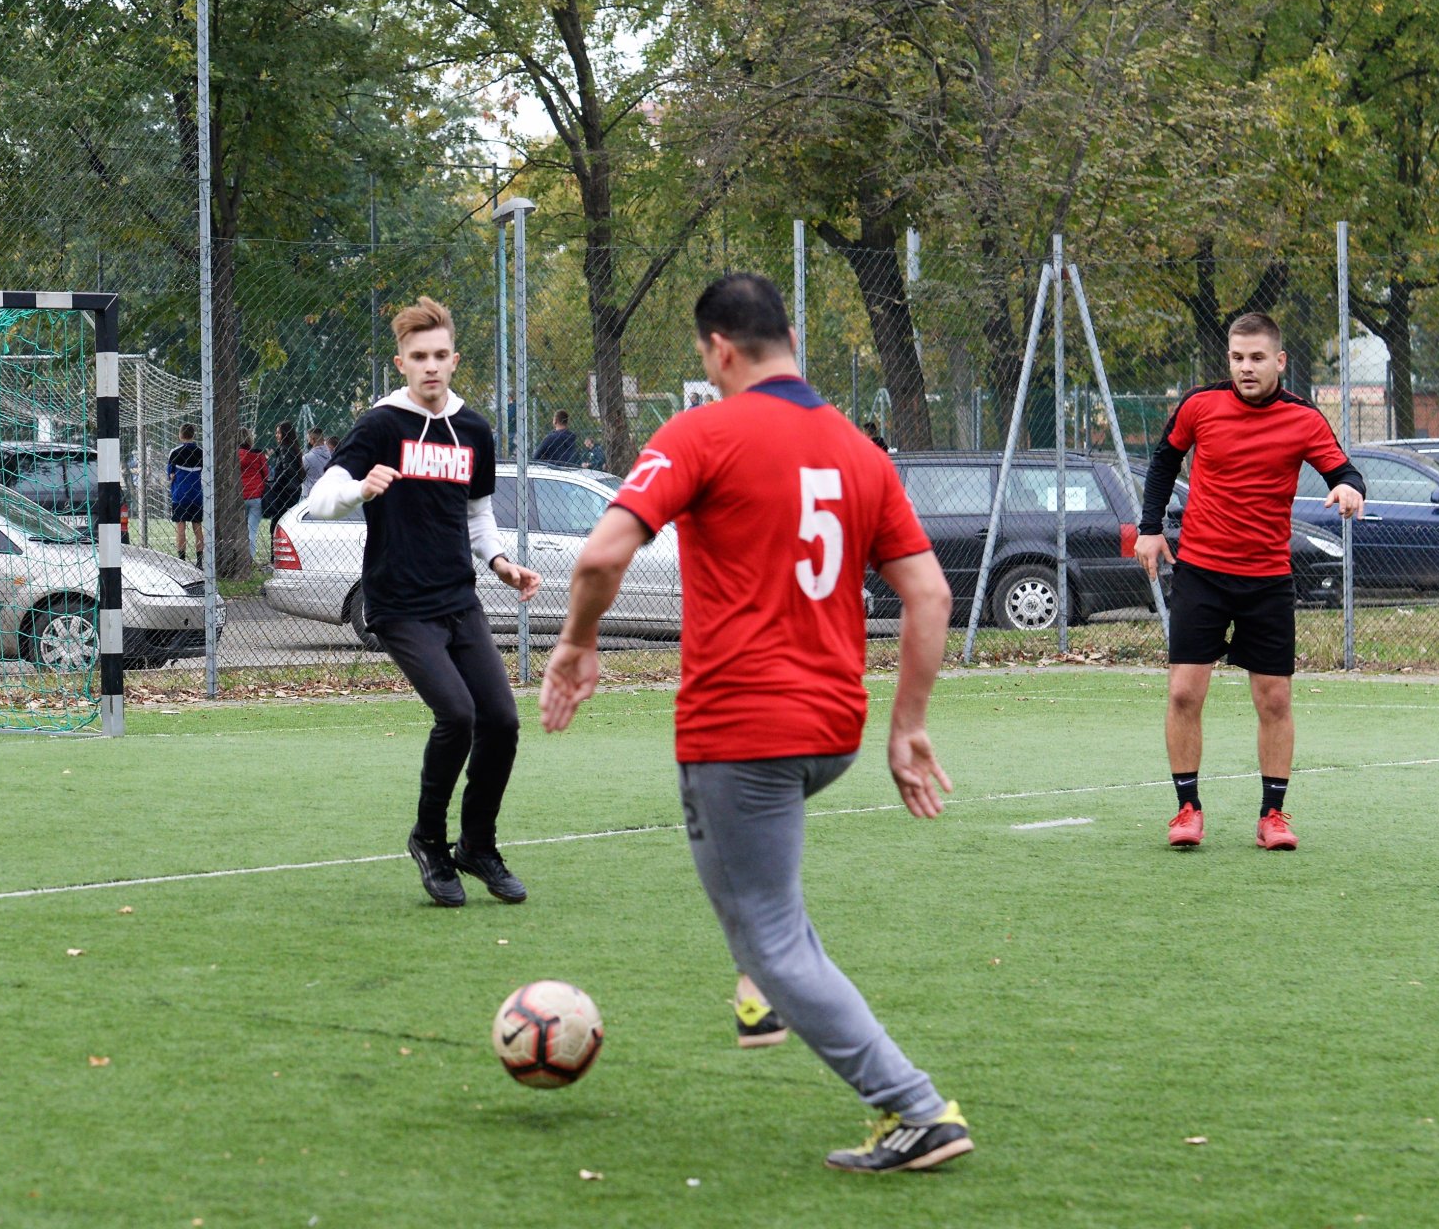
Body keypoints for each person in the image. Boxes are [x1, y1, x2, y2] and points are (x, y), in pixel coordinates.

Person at [540, 273, 972, 1174]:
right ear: (789, 341)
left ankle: (916, 1108)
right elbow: (929, 594)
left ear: (719, 351)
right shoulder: (860, 450)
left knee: (769, 946)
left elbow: (601, 553)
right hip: (832, 728)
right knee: (778, 927)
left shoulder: (704, 430)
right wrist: (909, 724)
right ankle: (898, 1097)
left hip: (742, 728)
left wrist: (577, 645)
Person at [307, 296, 543, 907]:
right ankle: (429, 841)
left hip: (458, 601)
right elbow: (322, 497)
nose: (430, 366)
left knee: (503, 721)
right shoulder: (381, 424)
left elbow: (478, 514)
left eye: (440, 355)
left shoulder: (474, 430)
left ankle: (478, 846)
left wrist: (500, 563)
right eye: (419, 357)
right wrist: (360, 488)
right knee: (457, 717)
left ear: (454, 359)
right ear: (401, 363)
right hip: (399, 605)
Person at [1135, 311, 1366, 851]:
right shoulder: (1200, 405)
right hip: (1202, 574)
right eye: (1237, 358)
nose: (1246, 368)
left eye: (1257, 358)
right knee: (1185, 692)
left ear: (1279, 361)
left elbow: (1344, 472)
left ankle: (1273, 816)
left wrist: (1350, 490)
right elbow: (1163, 462)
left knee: (1274, 700)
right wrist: (1150, 529)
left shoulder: (1304, 418)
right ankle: (1187, 809)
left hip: (1267, 580)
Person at [262, 420, 305, 560]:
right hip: (292, 490)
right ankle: (280, 555)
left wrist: (274, 485)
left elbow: (288, 470)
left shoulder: (285, 449)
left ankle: (275, 557)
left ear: (285, 434)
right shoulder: (293, 448)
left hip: (285, 492)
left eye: (279, 432)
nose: (276, 435)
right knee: (285, 523)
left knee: (276, 523)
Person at [166, 424, 204, 563]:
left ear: (180, 435)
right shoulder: (201, 452)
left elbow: (171, 476)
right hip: (196, 496)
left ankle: (182, 561)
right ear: (193, 435)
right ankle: (200, 562)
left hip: (180, 496)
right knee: (197, 528)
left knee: (180, 528)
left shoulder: (175, 452)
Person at [238, 429, 268, 559]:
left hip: (239, 497)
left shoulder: (234, 455)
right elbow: (266, 474)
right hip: (256, 496)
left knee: (239, 531)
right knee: (252, 530)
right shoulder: (258, 454)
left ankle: (239, 557)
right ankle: (249, 558)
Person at [301, 428, 332, 499]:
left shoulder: (307, 458)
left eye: (308, 439)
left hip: (309, 496)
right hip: (327, 493)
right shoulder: (330, 454)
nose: (307, 442)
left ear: (313, 440)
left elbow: (299, 476)